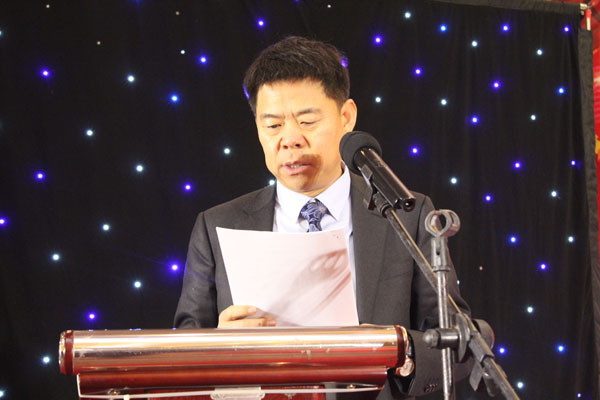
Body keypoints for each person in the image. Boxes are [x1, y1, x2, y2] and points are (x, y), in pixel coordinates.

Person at [174, 36, 471, 399]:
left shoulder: (406, 214)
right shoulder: (217, 225)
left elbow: (459, 341)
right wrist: (219, 347)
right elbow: (182, 355)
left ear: (346, 117)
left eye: (308, 121)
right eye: (272, 126)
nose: (290, 140)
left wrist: (401, 349)